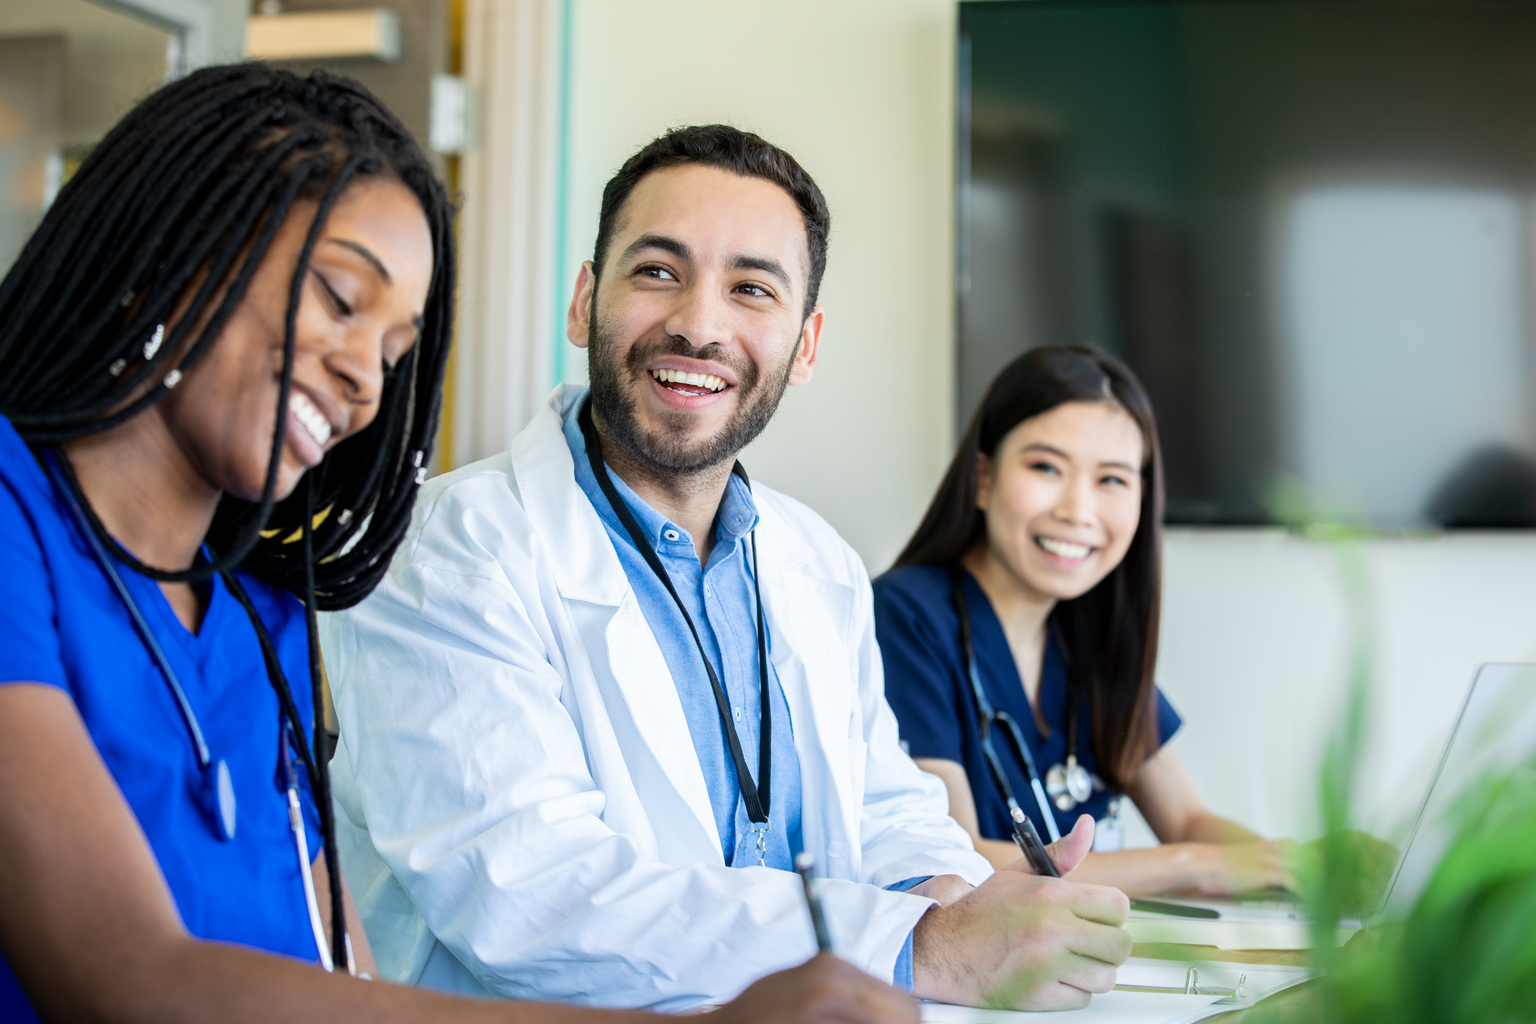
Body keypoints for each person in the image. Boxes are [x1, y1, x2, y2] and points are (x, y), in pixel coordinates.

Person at [0, 65, 913, 1024]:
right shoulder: (21, 529)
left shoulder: (253, 611)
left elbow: (335, 978)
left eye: (398, 348)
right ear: (174, 244)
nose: (364, 375)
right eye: (341, 300)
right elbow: (131, 980)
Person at [319, 125, 1133, 1015]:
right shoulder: (443, 550)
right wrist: (920, 946)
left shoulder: (817, 561)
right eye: (657, 271)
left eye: (751, 288)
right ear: (585, 302)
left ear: (806, 345)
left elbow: (879, 802)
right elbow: (527, 896)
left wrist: (950, 892)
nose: (699, 324)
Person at [874, 346, 1295, 897]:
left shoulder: (1093, 636)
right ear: (982, 478)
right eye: (1046, 467)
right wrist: (1193, 865)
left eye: (1112, 480)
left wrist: (1299, 868)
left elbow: (1190, 823)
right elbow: (958, 852)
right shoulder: (905, 615)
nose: (1078, 510)